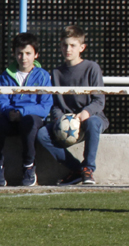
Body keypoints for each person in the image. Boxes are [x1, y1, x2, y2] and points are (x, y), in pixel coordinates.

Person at [37, 25, 108, 186]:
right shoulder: (56, 72)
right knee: (42, 134)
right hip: (66, 122)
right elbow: (55, 104)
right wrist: (60, 119)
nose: (68, 49)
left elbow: (99, 101)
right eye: (64, 45)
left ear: (82, 47)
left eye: (72, 45)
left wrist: (85, 113)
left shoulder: (92, 68)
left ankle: (88, 169)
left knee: (92, 123)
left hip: (91, 117)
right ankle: (77, 169)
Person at [0, 33, 52, 187]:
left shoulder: (43, 76)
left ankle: (29, 167)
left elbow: (45, 106)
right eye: (20, 53)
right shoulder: (6, 76)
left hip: (31, 118)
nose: (24, 58)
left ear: (36, 54)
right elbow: (2, 100)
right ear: (14, 53)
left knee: (28, 122)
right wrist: (9, 112)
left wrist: (22, 112)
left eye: (28, 53)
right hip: (10, 117)